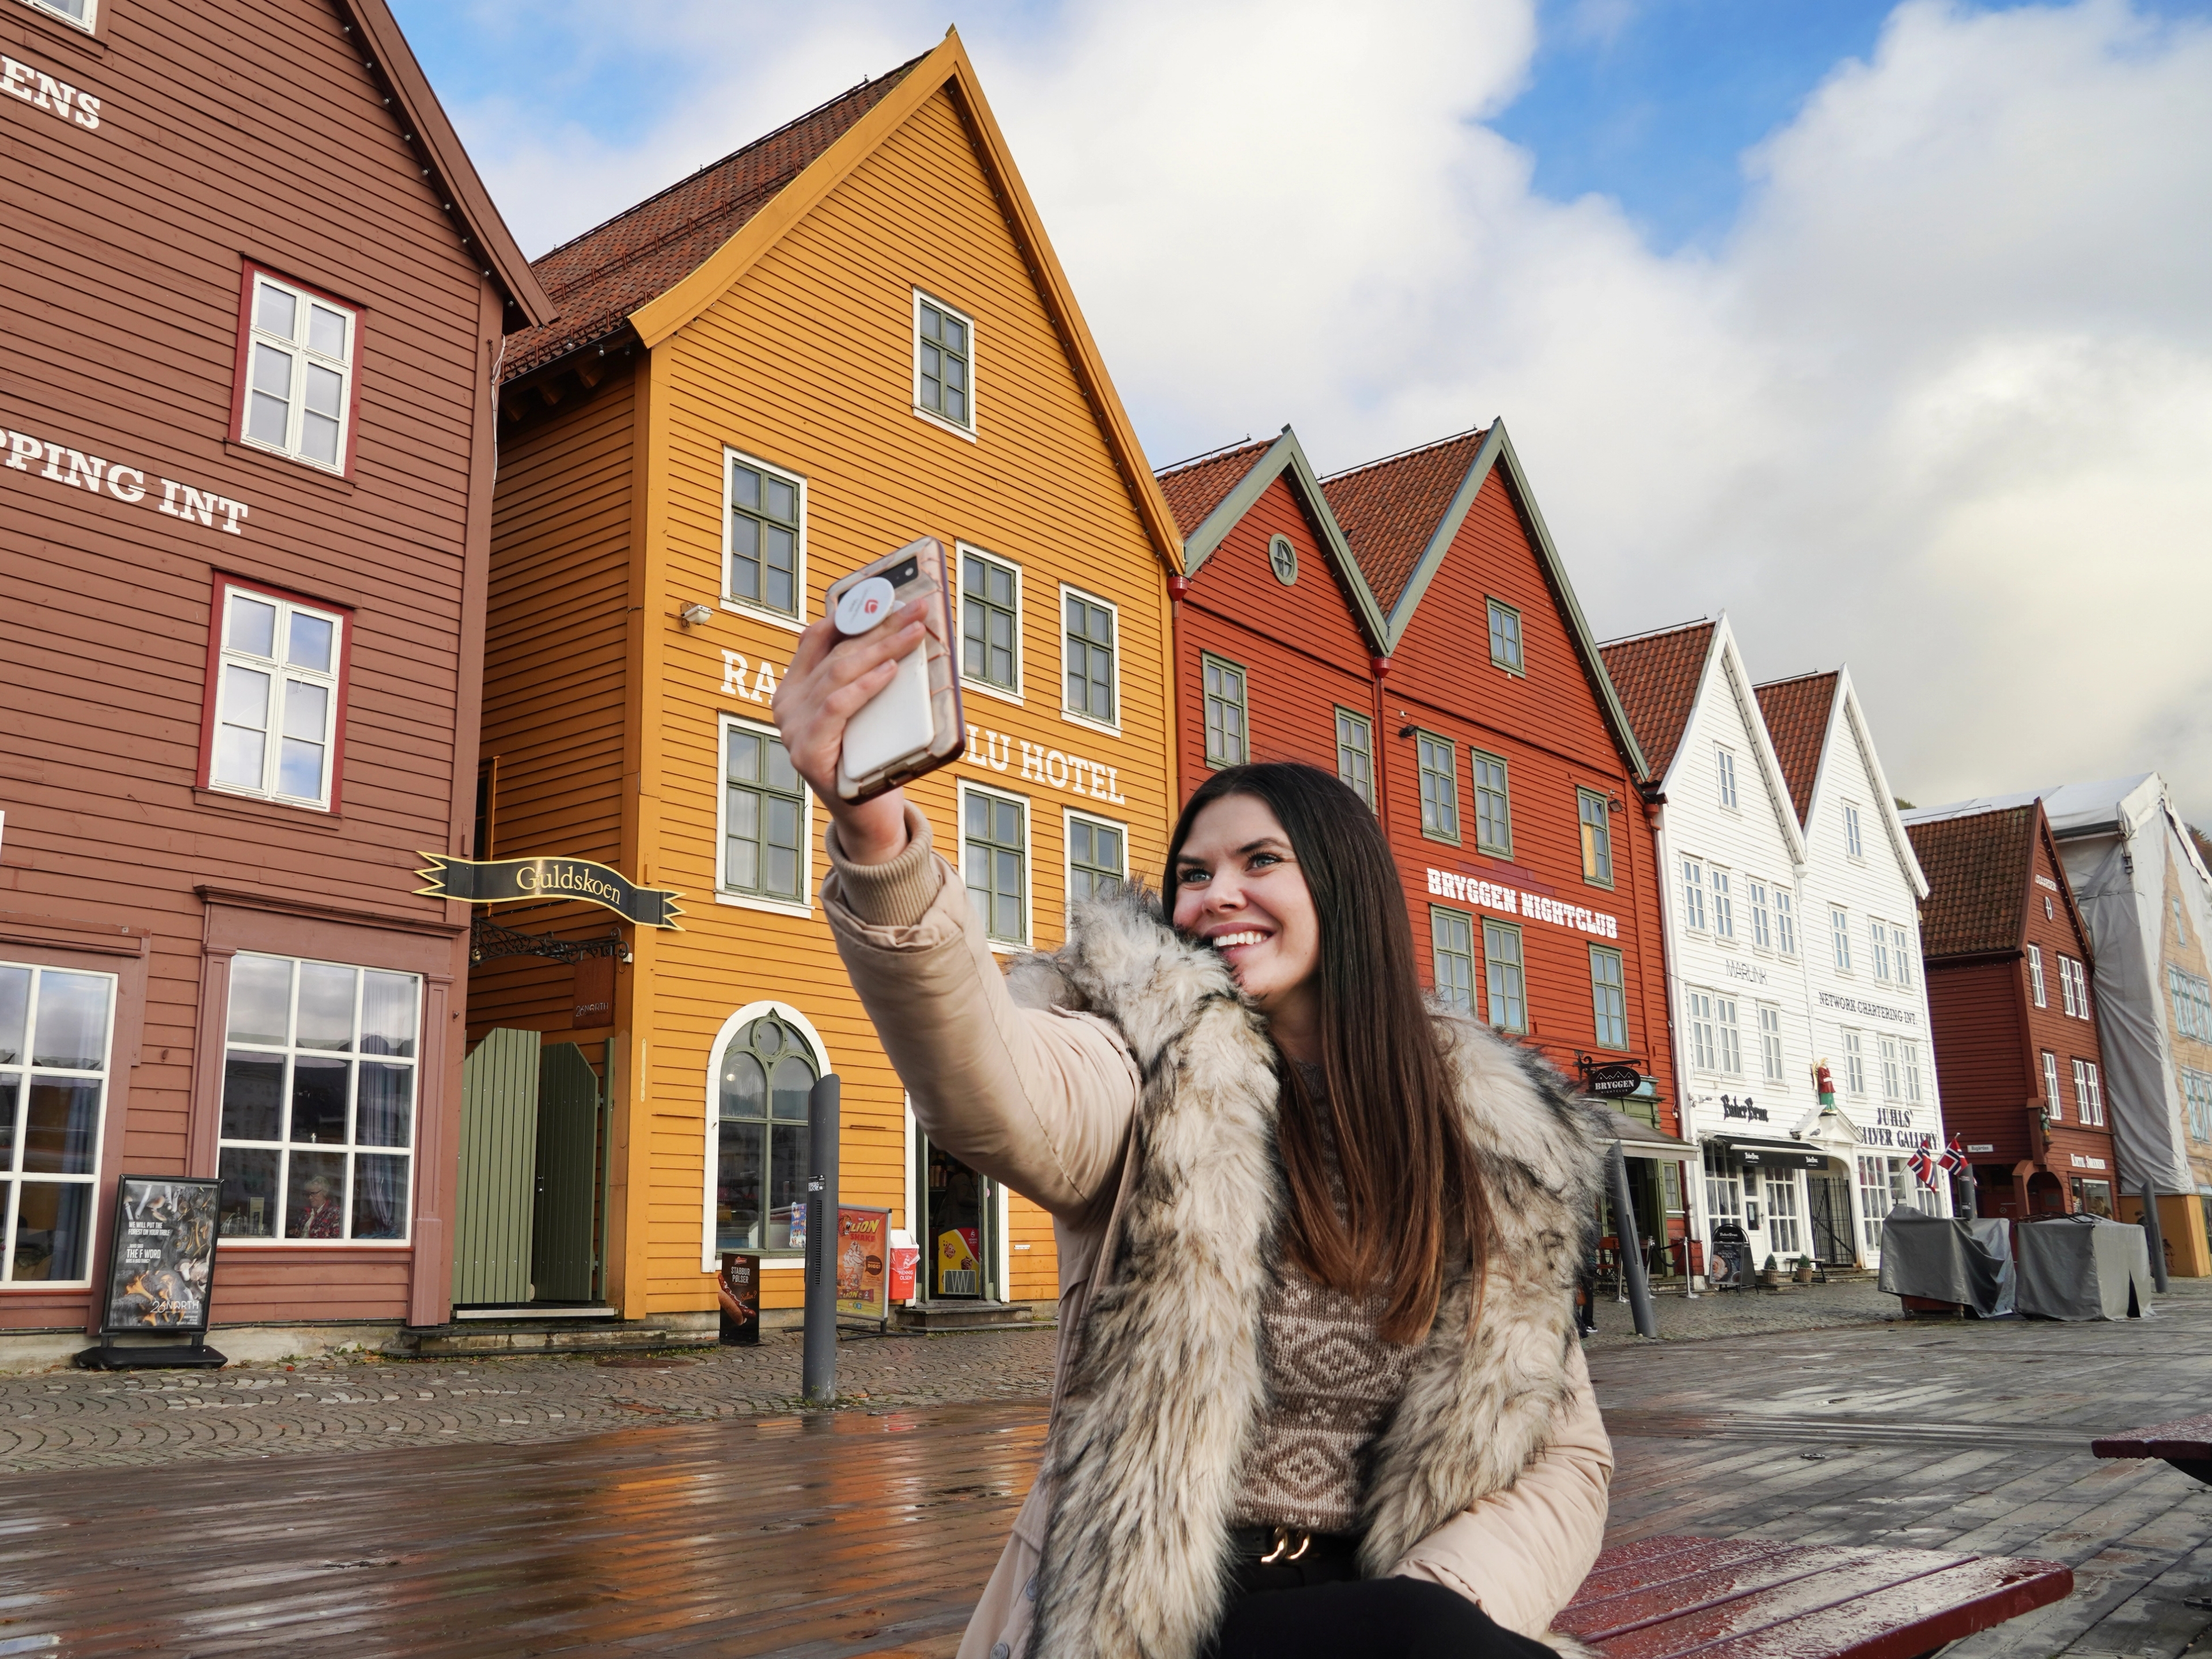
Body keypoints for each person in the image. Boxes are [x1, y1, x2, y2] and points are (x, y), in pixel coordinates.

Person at [775, 600, 1613, 1659]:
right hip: (1172, 1615)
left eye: (1260, 862)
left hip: (1415, 1603)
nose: (1218, 894)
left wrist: (1438, 1605)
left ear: (1345, 890)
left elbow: (1567, 1457)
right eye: (1192, 873)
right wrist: (875, 835)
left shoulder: (1489, 1138)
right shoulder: (1140, 1058)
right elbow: (994, 1083)